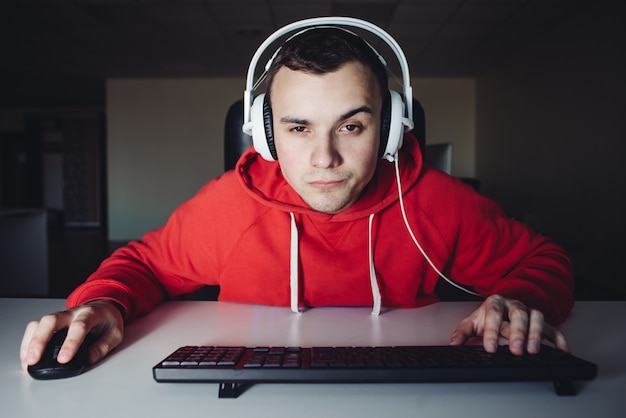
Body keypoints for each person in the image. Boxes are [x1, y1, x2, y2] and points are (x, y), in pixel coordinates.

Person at [21, 18, 573, 372]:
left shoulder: (435, 200)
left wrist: (521, 298)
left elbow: (543, 259)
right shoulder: (231, 205)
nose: (325, 159)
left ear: (390, 127)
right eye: (299, 127)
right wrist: (106, 303)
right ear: (265, 134)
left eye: (352, 127)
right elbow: (140, 263)